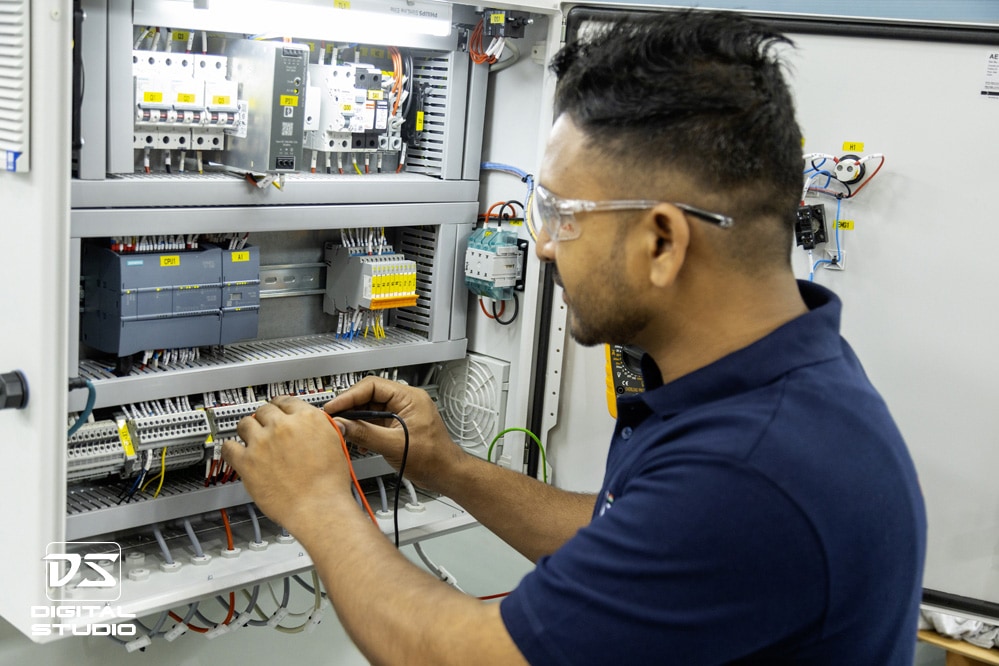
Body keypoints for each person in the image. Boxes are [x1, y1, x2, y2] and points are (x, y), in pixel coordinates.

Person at [222, 9, 926, 664]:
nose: (545, 247)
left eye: (560, 214)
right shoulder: (786, 381)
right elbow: (629, 536)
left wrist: (316, 500)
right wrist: (445, 466)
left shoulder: (747, 470)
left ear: (661, 241)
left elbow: (468, 656)